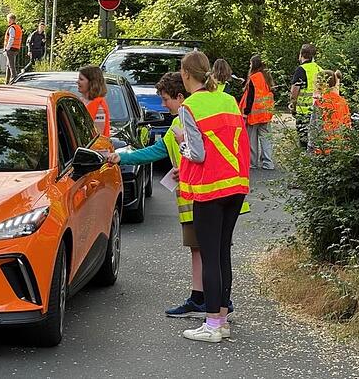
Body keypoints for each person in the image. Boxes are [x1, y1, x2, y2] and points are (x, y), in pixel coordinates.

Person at [106, 73, 206, 316]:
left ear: (180, 97)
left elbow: (197, 155)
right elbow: (157, 150)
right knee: (200, 250)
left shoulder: (186, 122)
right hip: (194, 198)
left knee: (204, 250)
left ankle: (206, 300)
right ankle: (205, 298)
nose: (162, 105)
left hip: (199, 197)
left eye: (165, 99)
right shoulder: (177, 124)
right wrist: (124, 157)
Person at [175, 51, 250, 343]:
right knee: (222, 253)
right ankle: (221, 319)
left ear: (185, 75)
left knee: (209, 256)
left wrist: (182, 145)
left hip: (210, 187)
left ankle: (212, 326)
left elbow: (198, 153)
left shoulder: (190, 106)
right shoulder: (228, 100)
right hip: (236, 185)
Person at [239, 55, 275, 170]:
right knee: (266, 138)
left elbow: (250, 96)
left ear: (253, 65)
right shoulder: (267, 77)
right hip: (265, 113)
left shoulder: (254, 78)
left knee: (252, 140)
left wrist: (246, 112)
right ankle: (268, 163)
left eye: (250, 64)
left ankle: (252, 163)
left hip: (254, 114)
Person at [289, 43, 323, 148]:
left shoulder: (301, 69)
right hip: (317, 110)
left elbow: (294, 92)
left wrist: (293, 107)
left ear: (301, 54)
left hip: (303, 112)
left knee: (303, 142)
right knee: (315, 141)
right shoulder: (319, 69)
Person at [313, 70, 351, 152]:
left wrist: (311, 148)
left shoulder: (320, 102)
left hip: (324, 147)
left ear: (321, 84)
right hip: (341, 145)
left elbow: (315, 127)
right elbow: (347, 124)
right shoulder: (343, 101)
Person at [78, 65, 111, 137]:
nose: (77, 82)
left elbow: (98, 137)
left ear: (91, 83)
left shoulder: (99, 107)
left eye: (81, 79)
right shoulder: (79, 101)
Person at [3, 14, 23, 84]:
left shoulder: (12, 28)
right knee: (8, 65)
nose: (7, 20)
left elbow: (11, 39)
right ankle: (7, 81)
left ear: (11, 19)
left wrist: (7, 48)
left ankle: (15, 79)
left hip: (11, 49)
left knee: (11, 65)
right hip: (16, 48)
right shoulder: (18, 27)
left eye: (8, 19)